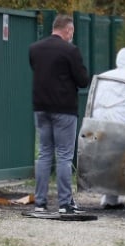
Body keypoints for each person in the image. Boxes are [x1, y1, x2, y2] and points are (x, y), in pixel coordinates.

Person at [29, 14, 90, 214]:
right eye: (71, 32)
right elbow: (82, 80)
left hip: (40, 108)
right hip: (64, 109)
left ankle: (40, 203)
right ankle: (65, 204)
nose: (71, 35)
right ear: (67, 30)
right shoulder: (70, 51)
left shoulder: (35, 49)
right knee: (64, 156)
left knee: (44, 154)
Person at [91, 46, 125, 209]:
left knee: (108, 157)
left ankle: (109, 198)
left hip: (98, 120)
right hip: (120, 119)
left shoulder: (103, 76)